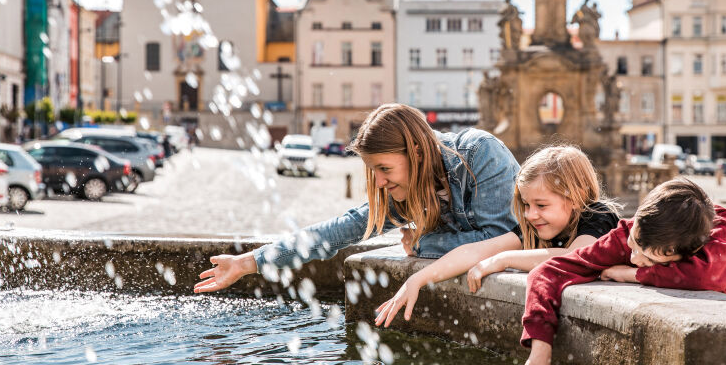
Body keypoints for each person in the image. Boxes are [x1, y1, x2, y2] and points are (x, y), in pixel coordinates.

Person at [194, 103, 520, 294]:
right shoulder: (408, 188)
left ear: (417, 153)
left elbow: (503, 239)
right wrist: (248, 262)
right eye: (373, 170)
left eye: (384, 168)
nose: (379, 182)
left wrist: (424, 244)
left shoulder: (480, 153)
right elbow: (340, 230)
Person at [373, 145, 620, 327]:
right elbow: (476, 251)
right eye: (526, 205)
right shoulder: (533, 227)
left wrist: (504, 259)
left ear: (576, 197)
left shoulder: (598, 215)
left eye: (541, 205)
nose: (530, 215)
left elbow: (575, 256)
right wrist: (417, 279)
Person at [520, 178, 726, 365]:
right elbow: (547, 272)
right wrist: (540, 349)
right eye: (633, 244)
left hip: (722, 346)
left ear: (682, 253)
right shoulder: (625, 234)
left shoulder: (719, 228)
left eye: (649, 259)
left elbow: (705, 276)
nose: (633, 259)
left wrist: (631, 275)